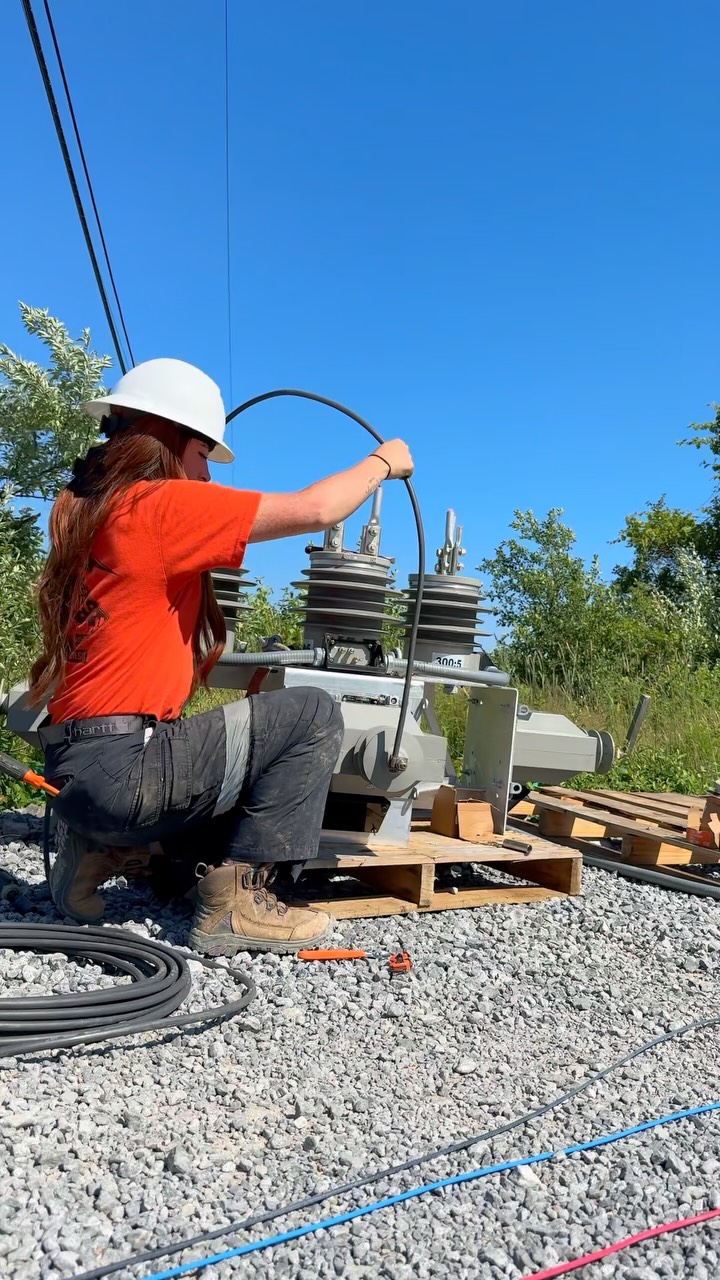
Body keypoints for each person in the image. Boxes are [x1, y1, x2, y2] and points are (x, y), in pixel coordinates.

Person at [30, 358, 414, 955]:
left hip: (76, 770)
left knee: (227, 800)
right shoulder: (156, 506)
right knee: (312, 714)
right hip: (127, 768)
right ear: (169, 438)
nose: (207, 473)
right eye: (204, 454)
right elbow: (316, 509)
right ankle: (240, 904)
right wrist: (383, 463)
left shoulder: (81, 509)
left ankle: (106, 846)